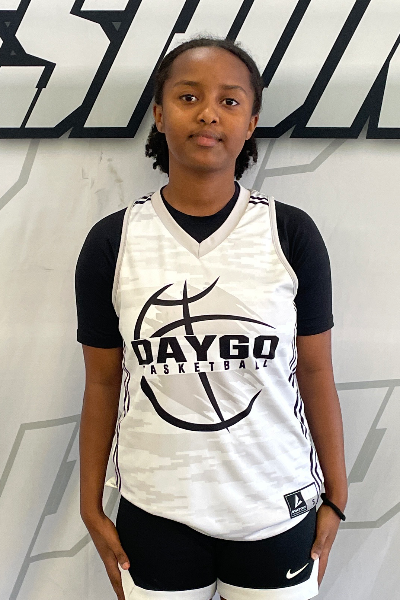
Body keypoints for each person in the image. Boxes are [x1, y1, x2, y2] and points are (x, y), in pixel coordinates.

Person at [76, 36, 348, 600]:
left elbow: (315, 370)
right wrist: (89, 504)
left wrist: (337, 495)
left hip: (275, 504)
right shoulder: (113, 240)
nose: (208, 113)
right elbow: (102, 381)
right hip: (156, 508)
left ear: (251, 123)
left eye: (229, 100)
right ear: (159, 114)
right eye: (188, 96)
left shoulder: (290, 232)